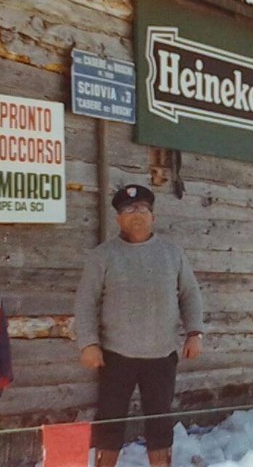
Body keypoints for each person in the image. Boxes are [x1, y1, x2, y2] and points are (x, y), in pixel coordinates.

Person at [74, 184, 205, 467]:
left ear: (153, 217)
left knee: (159, 422)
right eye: (128, 209)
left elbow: (190, 294)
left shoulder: (172, 253)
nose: (136, 214)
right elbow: (85, 302)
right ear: (118, 219)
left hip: (161, 356)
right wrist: (88, 342)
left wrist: (194, 332)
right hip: (115, 356)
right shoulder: (102, 256)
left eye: (143, 209)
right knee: (109, 420)